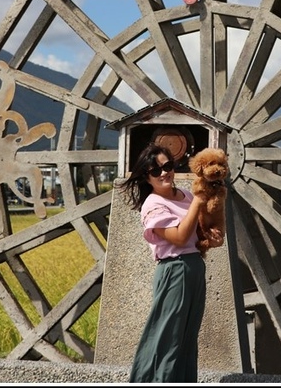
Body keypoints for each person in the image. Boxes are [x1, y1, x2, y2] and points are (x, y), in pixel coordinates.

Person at [118, 143, 223, 383]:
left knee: (186, 339)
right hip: (174, 270)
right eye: (156, 171)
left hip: (194, 267)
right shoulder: (153, 205)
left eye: (167, 166)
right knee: (168, 338)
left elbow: (196, 235)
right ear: (147, 177)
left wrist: (212, 239)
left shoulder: (185, 195)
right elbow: (178, 237)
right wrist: (198, 202)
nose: (164, 173)